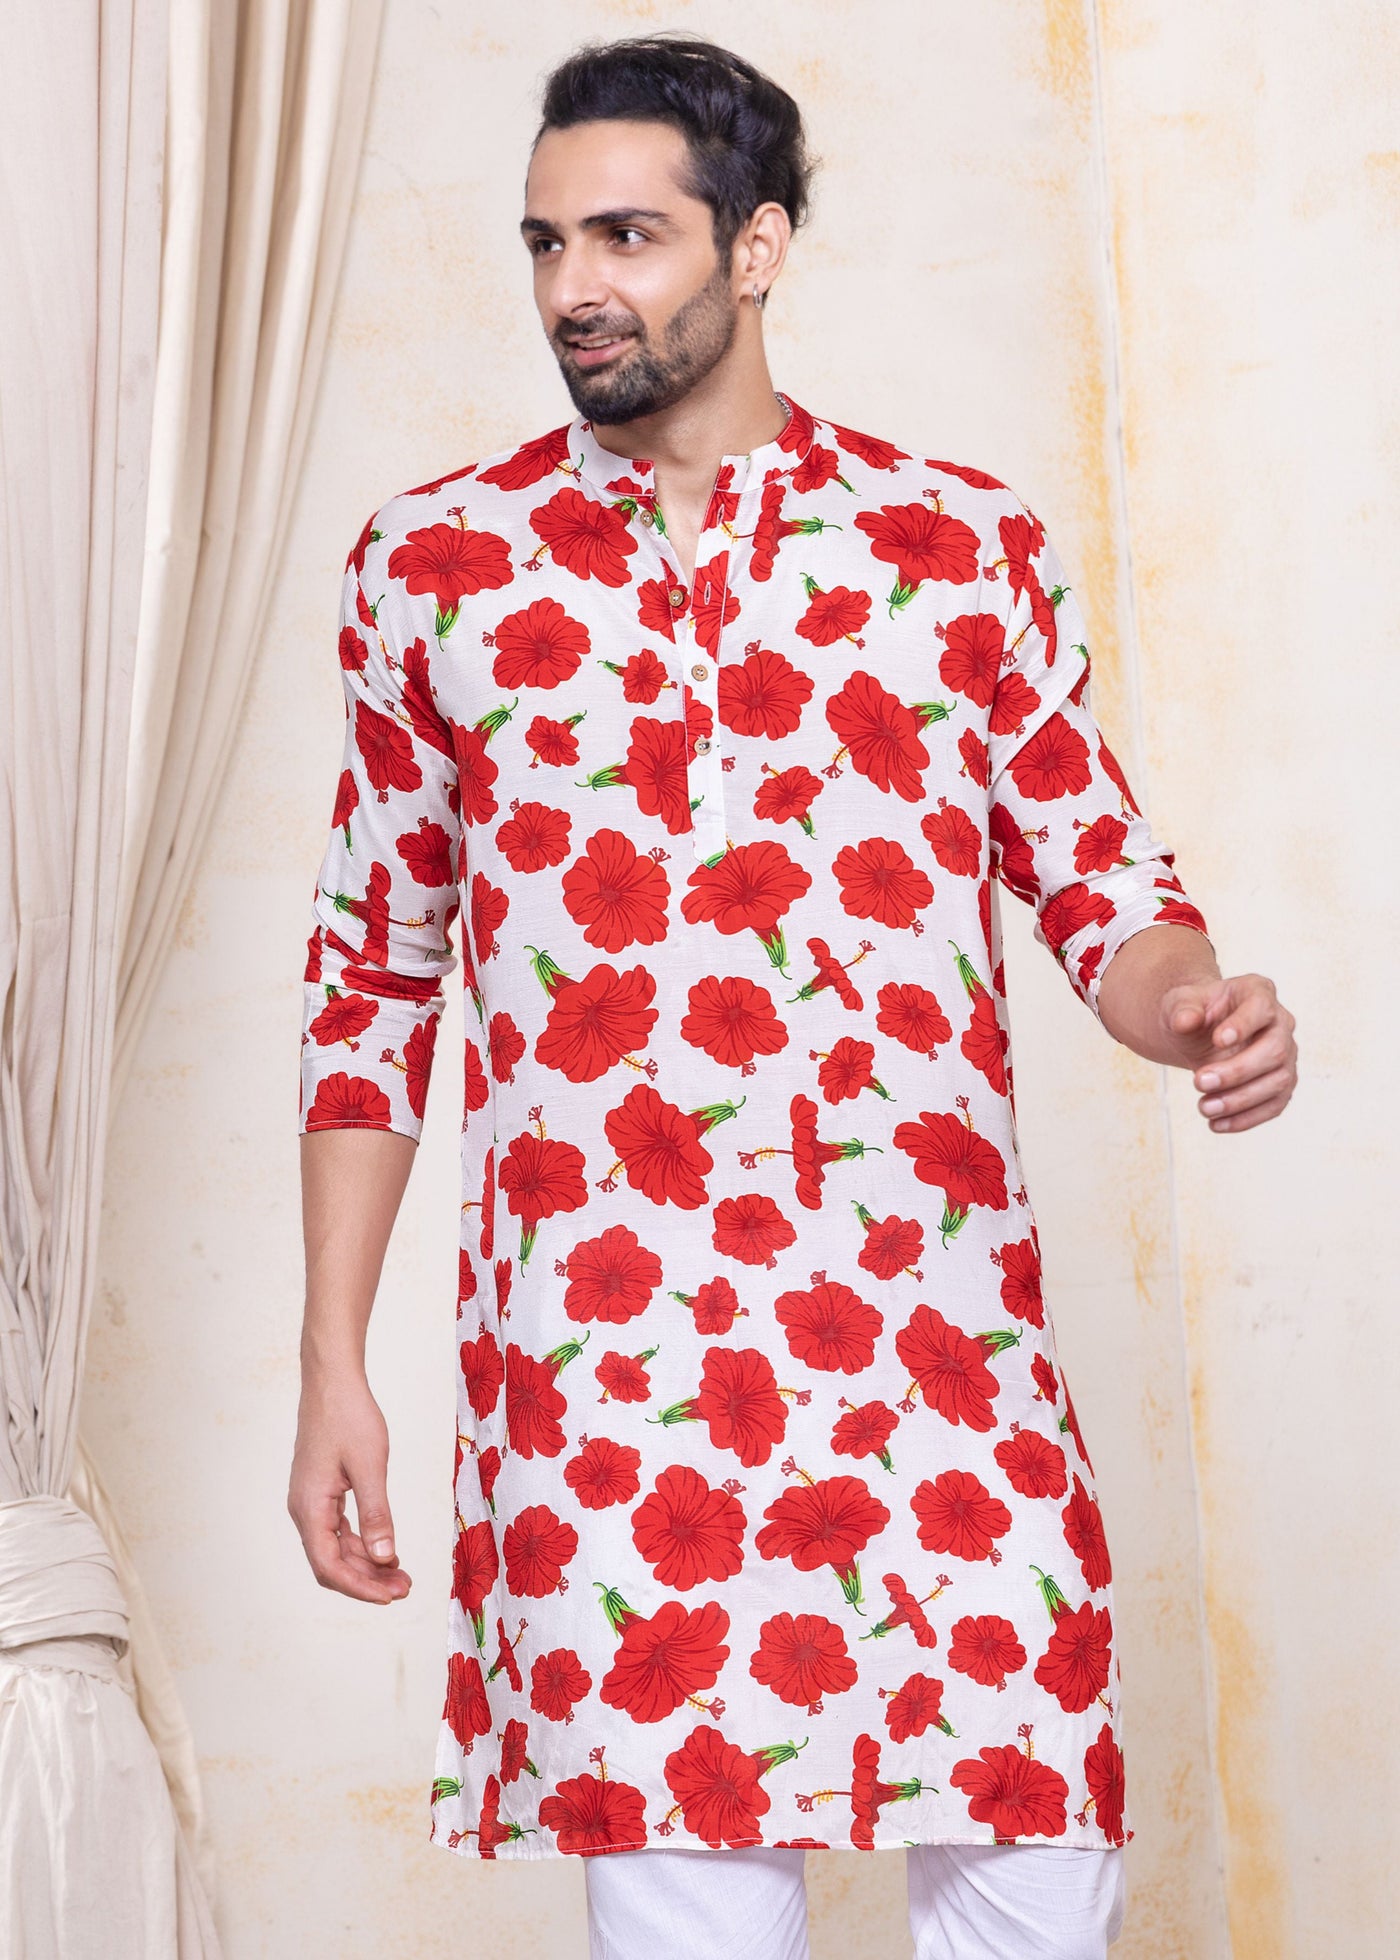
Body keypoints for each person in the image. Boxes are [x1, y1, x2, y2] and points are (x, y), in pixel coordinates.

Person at [287, 32, 1297, 1960]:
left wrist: (1198, 1007)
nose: (573, 285)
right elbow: (370, 979)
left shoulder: (955, 547)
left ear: (755, 249)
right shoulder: (436, 569)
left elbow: (1108, 892)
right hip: (610, 1388)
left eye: (627, 235)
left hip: (937, 1356)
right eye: (545, 240)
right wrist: (336, 1363)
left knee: (1031, 1897)